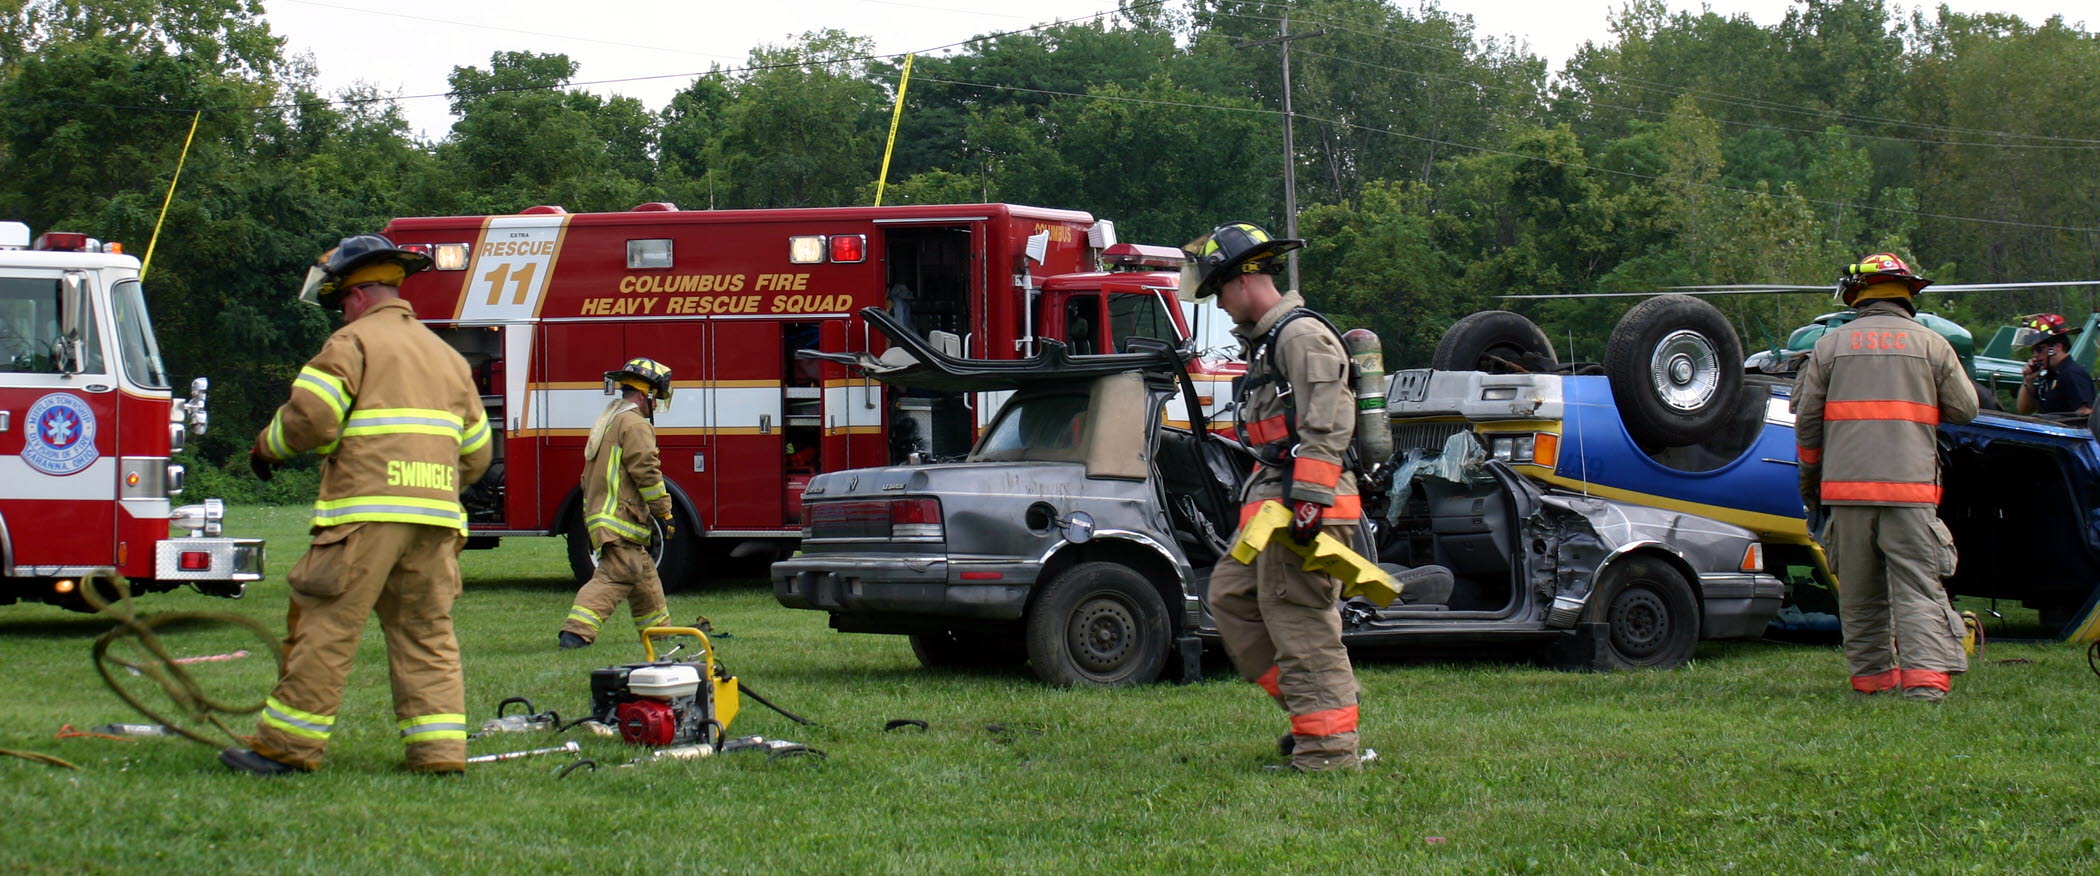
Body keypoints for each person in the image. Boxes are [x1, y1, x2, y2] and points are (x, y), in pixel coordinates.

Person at [221, 234, 492, 775]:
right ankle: (439, 755)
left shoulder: (352, 344)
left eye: (341, 300)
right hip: (435, 523)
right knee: (427, 635)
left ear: (361, 295)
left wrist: (266, 447)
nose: (340, 313)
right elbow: (478, 453)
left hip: (364, 519)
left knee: (326, 628)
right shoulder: (447, 357)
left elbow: (310, 420)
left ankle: (286, 750)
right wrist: (430, 481)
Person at [1183, 222, 1369, 771]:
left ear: (1244, 280)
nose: (1219, 305)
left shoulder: (1300, 336)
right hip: (1274, 502)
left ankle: (1328, 750)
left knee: (1299, 620)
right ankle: (1316, 713)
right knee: (1232, 596)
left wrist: (1308, 499)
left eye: (1218, 292)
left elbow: (1329, 422)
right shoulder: (1270, 341)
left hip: (1305, 501)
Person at [1793, 252, 1979, 703]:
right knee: (1917, 587)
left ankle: (1872, 681)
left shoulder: (1829, 346)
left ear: (1856, 295)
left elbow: (1807, 426)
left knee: (1859, 594)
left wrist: (1812, 490)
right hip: (1911, 494)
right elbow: (1967, 409)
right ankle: (1925, 685)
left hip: (1847, 493)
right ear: (1908, 294)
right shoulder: (1932, 345)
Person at [558, 357, 677, 650]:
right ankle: (576, 634)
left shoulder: (610, 419)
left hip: (607, 513)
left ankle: (659, 634)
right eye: (656, 397)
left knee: (644, 575)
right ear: (644, 394)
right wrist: (664, 511)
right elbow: (646, 471)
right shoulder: (634, 423)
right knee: (617, 574)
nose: (656, 404)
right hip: (620, 515)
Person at [2014, 313, 2093, 416]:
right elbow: (2025, 410)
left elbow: (2085, 415)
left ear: (2058, 347)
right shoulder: (2050, 376)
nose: (2035, 355)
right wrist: (2028, 380)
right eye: (2033, 351)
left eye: (2039, 349)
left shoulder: (2071, 374)